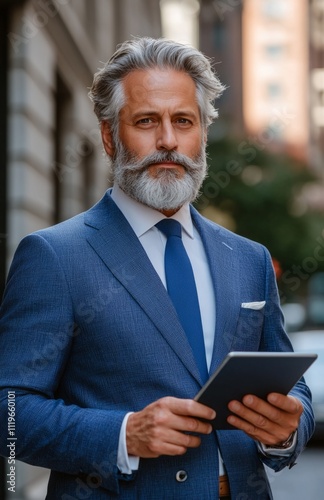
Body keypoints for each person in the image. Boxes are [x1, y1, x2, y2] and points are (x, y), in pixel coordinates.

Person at [0, 37, 315, 499]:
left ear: (201, 134)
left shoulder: (248, 258)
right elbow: (9, 413)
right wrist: (124, 434)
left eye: (183, 121)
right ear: (110, 136)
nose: (168, 141)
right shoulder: (54, 256)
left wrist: (288, 427)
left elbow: (295, 390)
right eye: (146, 121)